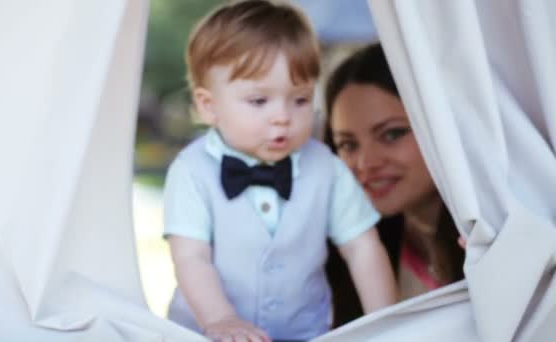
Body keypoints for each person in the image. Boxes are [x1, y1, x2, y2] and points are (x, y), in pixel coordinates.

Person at [162, 2, 398, 341]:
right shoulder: (191, 171)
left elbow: (362, 248)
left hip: (305, 333)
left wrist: (387, 323)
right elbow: (191, 257)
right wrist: (222, 319)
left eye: (300, 100)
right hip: (205, 334)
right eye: (259, 101)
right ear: (208, 106)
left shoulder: (327, 168)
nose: (282, 116)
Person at [323, 43, 466, 327]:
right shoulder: (358, 250)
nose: (365, 163)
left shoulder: (497, 237)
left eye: (391, 134)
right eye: (348, 144)